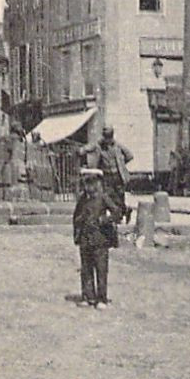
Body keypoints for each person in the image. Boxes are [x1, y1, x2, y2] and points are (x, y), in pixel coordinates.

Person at [73, 168, 118, 309]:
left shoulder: (103, 197)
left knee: (101, 269)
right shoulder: (82, 199)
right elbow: (75, 216)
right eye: (86, 183)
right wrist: (80, 223)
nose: (89, 187)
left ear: (98, 183)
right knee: (86, 269)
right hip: (85, 239)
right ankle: (88, 296)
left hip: (100, 239)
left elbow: (117, 212)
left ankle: (101, 298)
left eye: (92, 183)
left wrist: (105, 219)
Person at [85, 127, 133, 224]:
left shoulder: (118, 146)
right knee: (108, 196)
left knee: (119, 196)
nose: (107, 140)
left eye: (109, 137)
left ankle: (124, 211)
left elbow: (130, 155)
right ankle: (118, 215)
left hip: (118, 176)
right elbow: (89, 147)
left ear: (112, 136)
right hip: (107, 176)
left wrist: (122, 164)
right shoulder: (100, 146)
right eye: (105, 137)